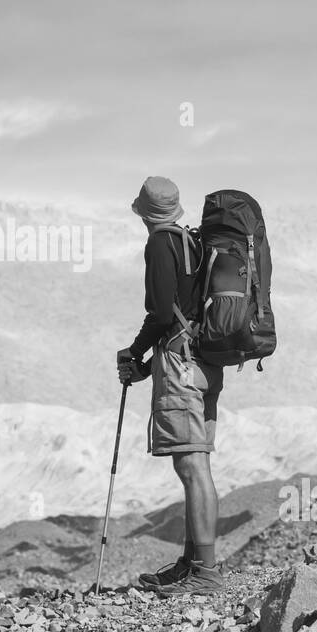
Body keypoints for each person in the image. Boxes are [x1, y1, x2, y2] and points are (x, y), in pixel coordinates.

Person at [117, 176, 225, 595]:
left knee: (192, 466)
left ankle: (207, 573)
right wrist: (146, 363)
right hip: (204, 363)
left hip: (180, 362)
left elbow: (163, 314)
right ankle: (193, 563)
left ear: (144, 213)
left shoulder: (161, 244)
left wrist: (135, 352)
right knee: (195, 463)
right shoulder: (193, 241)